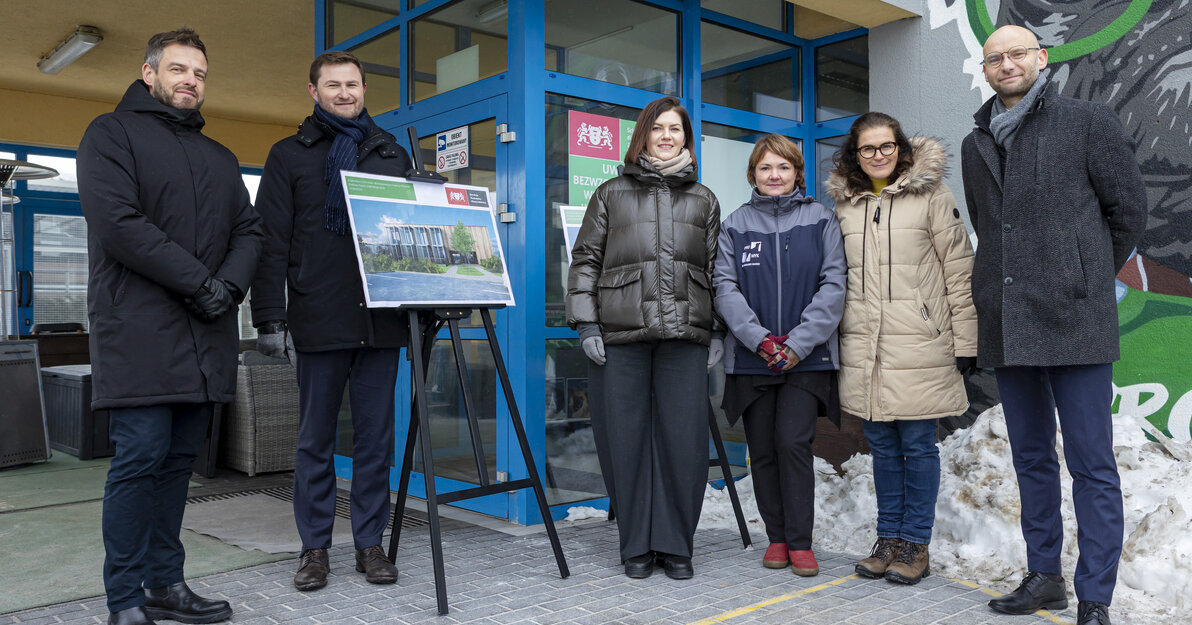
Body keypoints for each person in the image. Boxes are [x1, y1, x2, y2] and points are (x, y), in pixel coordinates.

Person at [960, 25, 1147, 625]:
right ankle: (1045, 577)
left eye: (1017, 53)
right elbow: (992, 231)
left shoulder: (1087, 122)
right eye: (995, 57)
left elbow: (1129, 211)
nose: (1006, 63)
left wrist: (1084, 272)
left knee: (1092, 463)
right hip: (1010, 321)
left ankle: (1095, 596)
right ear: (985, 69)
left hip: (1075, 318)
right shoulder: (976, 141)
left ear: (1041, 59)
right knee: (1031, 459)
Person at [76, 28, 262, 625]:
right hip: (140, 332)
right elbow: (119, 224)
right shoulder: (111, 134)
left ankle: (165, 583)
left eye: (200, 74)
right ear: (149, 72)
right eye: (179, 69)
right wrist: (201, 284)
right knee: (140, 461)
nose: (190, 81)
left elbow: (249, 232)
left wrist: (228, 288)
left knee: (180, 465)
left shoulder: (220, 157)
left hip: (206, 335)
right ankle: (124, 599)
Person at [251, 51, 412, 591]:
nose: (344, 93)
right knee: (315, 441)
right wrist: (270, 318)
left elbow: (410, 235)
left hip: (381, 321)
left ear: (365, 89)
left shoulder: (391, 153)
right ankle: (314, 548)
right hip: (318, 318)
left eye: (353, 85)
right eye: (333, 85)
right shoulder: (288, 156)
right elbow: (270, 243)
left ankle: (370, 544)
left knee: (375, 442)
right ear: (313, 91)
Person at [566, 96, 723, 581]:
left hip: (685, 334)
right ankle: (635, 543)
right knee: (624, 441)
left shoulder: (704, 199)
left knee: (684, 442)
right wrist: (587, 323)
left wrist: (719, 330)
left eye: (676, 129)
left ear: (687, 138)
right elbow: (585, 261)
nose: (668, 136)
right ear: (643, 136)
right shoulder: (612, 193)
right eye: (659, 128)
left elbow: (718, 271)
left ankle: (676, 545)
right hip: (620, 334)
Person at [826, 112, 977, 586]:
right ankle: (887, 540)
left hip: (922, 342)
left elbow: (959, 270)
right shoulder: (845, 206)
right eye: (867, 149)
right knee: (883, 449)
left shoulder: (932, 196)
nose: (878, 156)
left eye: (886, 146)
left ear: (901, 149)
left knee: (917, 445)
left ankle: (915, 544)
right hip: (865, 346)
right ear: (855, 154)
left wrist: (967, 340)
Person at [713, 134, 845, 577]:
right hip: (753, 358)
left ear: (796, 173)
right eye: (766, 168)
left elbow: (834, 285)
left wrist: (796, 344)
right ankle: (776, 537)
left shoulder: (821, 220)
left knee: (793, 445)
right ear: (753, 173)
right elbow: (724, 289)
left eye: (783, 167)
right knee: (763, 450)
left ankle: (801, 542)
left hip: (806, 360)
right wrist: (763, 341)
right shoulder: (734, 224)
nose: (775, 175)